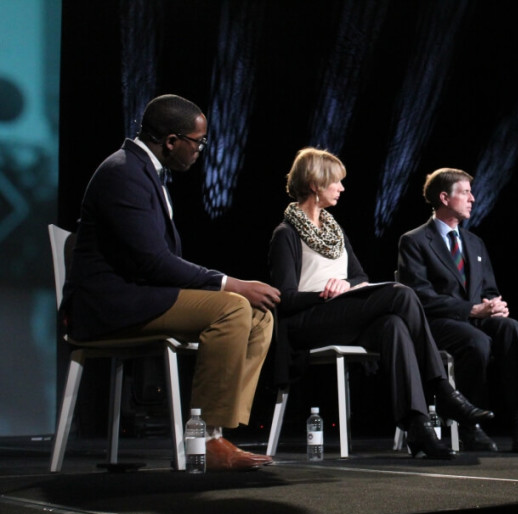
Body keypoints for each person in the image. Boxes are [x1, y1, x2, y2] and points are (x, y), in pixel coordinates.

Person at [63, 94, 280, 471]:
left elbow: (157, 262)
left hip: (141, 294)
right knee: (231, 307)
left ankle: (216, 430)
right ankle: (202, 441)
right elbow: (153, 262)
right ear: (171, 141)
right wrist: (230, 283)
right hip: (112, 305)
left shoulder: (145, 173)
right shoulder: (123, 173)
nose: (200, 150)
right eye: (198, 142)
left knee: (260, 315)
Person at [268, 148, 493, 459]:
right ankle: (443, 389)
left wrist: (346, 285)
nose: (342, 188)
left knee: (394, 325)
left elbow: (360, 276)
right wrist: (327, 293)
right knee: (401, 293)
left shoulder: (335, 231)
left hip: (343, 316)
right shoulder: (286, 234)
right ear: (316, 184)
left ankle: (417, 426)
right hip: (308, 322)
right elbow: (285, 299)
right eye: (336, 181)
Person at [397, 168, 518, 453]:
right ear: (444, 197)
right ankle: (471, 426)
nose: (473, 199)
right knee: (476, 342)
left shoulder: (475, 242)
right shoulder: (414, 241)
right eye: (466, 192)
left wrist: (495, 305)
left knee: (512, 329)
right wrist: (471, 309)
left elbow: (487, 289)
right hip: (437, 324)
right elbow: (419, 296)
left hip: (475, 318)